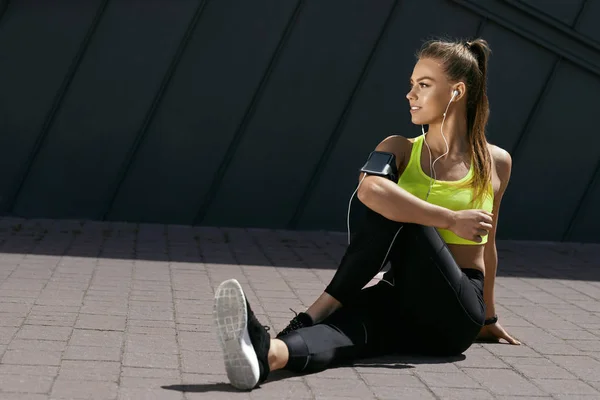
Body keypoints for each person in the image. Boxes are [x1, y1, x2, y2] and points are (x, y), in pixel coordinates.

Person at [212, 37, 521, 391]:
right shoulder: (397, 148)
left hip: (457, 311)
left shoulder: (496, 162)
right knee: (341, 331)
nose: (411, 95)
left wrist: (489, 318)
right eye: (411, 85)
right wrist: (450, 219)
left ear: (456, 92)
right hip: (402, 297)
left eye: (423, 85)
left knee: (404, 218)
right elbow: (369, 189)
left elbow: (489, 246)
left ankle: (312, 312)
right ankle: (269, 355)